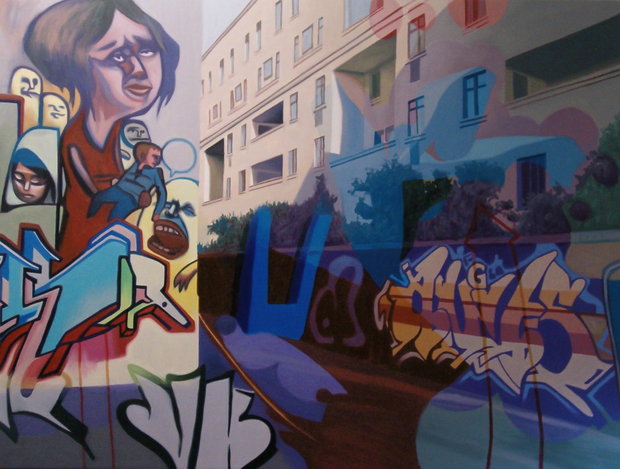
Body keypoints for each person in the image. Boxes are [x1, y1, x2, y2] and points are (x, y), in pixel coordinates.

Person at [24, 0, 179, 267]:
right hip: (80, 264)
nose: (138, 69)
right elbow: (97, 199)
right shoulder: (76, 140)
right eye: (117, 56)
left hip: (116, 261)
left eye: (147, 50)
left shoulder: (124, 138)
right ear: (77, 67)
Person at [88, 142, 166, 221]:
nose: (157, 161)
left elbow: (162, 193)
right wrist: (117, 183)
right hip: (118, 190)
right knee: (97, 198)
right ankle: (88, 219)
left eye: (159, 158)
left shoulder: (156, 172)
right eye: (155, 157)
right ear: (143, 154)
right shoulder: (135, 164)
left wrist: (157, 212)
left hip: (132, 198)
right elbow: (125, 176)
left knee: (115, 216)